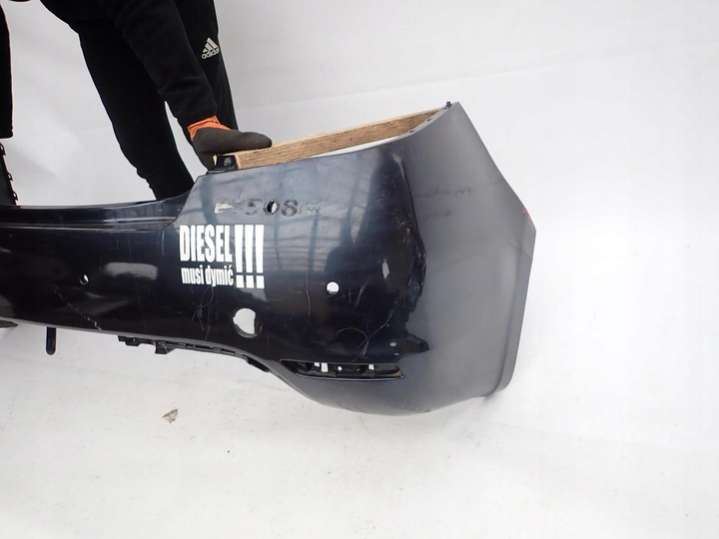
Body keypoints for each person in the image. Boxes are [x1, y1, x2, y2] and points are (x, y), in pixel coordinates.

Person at [10, 0, 272, 200]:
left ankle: (243, 204)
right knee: (146, 150)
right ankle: (184, 222)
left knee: (221, 143)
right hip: (94, 18)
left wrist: (200, 117)